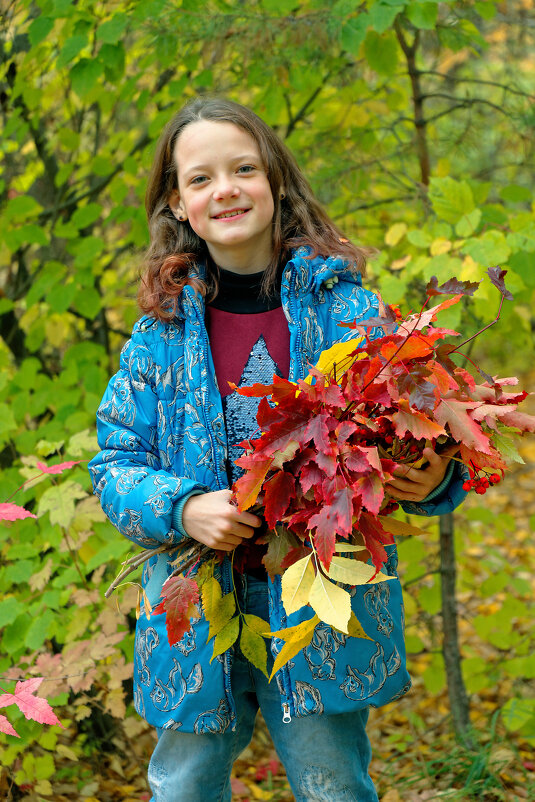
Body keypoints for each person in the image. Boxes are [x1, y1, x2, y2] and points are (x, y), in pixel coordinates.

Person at [88, 97, 467, 802]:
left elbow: (418, 429)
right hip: (196, 606)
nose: (224, 189)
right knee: (184, 785)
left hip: (319, 596)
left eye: (243, 169)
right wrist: (182, 508)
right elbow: (114, 466)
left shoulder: (348, 312)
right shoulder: (159, 338)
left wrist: (432, 474)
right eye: (200, 179)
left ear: (277, 180)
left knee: (333, 785)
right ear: (178, 200)